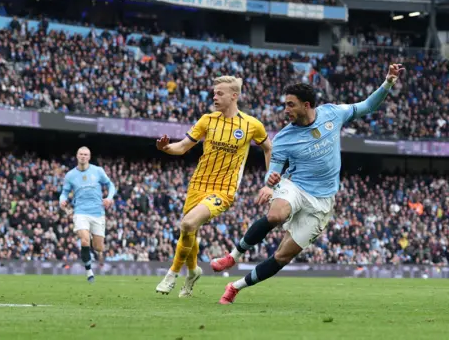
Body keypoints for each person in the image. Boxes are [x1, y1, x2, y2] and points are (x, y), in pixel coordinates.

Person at [213, 64, 404, 304]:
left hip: (322, 202)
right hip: (297, 187)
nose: (286, 110)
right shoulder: (283, 137)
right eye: (285, 105)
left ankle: (235, 286)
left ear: (307, 105)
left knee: (282, 256)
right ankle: (233, 255)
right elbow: (272, 172)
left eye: (290, 105)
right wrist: (268, 183)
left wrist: (388, 82)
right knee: (275, 215)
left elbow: (366, 106)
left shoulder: (332, 114)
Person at [154, 76, 272, 297]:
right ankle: (193, 272)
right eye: (214, 93)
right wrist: (165, 148)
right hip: (197, 185)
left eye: (220, 93)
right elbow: (182, 147)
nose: (214, 97)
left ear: (234, 96)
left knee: (187, 223)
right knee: (189, 229)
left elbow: (268, 148)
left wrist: (271, 179)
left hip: (223, 190)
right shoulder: (207, 120)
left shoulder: (251, 125)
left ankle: (172, 273)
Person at [59, 146, 116, 283]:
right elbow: (64, 193)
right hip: (80, 212)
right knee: (84, 240)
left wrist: (109, 198)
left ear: (89, 157)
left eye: (86, 154)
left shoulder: (98, 171)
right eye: (81, 154)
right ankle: (89, 272)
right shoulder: (70, 175)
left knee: (98, 247)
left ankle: (91, 241)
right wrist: (62, 200)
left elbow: (111, 185)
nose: (83, 156)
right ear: (77, 156)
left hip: (97, 212)